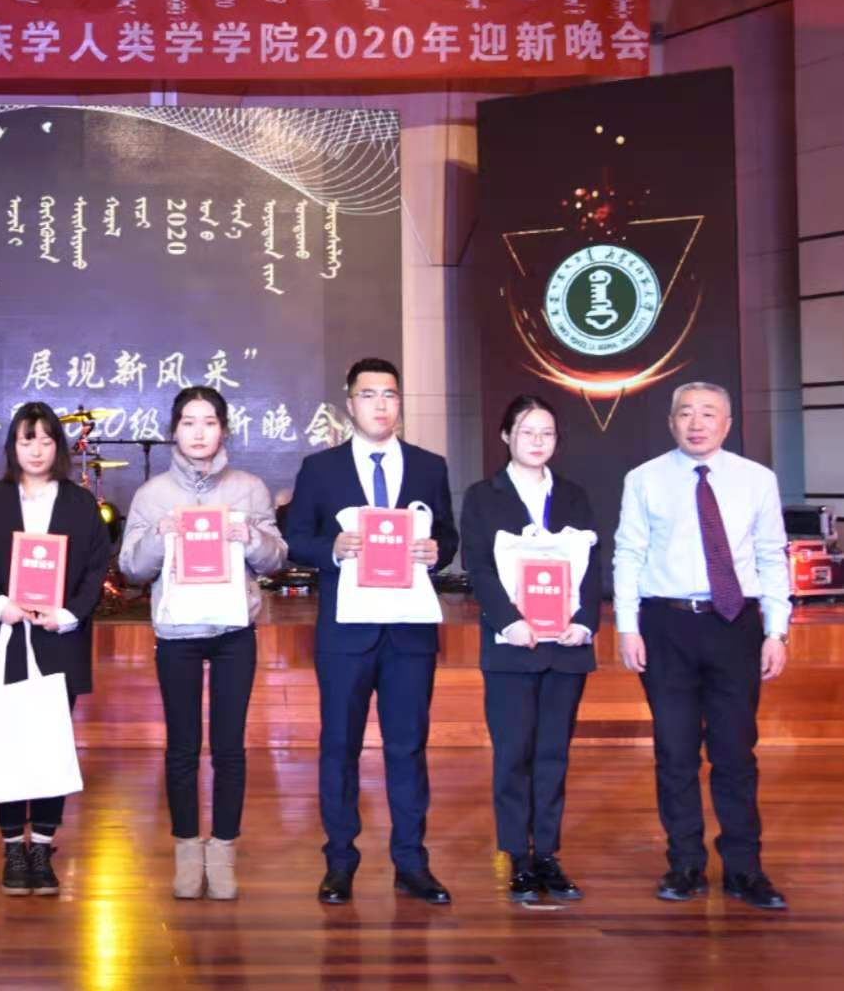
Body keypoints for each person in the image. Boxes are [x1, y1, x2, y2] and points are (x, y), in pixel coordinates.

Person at [284, 357, 459, 905]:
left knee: (408, 747)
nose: (380, 405)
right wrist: (332, 549)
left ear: (400, 403)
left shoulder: (429, 466)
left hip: (410, 633)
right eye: (368, 395)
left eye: (390, 395)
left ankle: (412, 862)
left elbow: (448, 535)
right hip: (346, 633)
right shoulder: (321, 468)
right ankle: (340, 862)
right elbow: (296, 537)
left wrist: (437, 551)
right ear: (349, 404)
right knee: (339, 746)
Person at [614, 381, 791, 910]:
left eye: (708, 413)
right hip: (666, 626)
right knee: (675, 751)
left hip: (735, 626)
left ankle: (744, 869)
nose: (696, 423)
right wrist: (627, 626)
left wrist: (776, 630)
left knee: (735, 752)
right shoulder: (643, 478)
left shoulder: (757, 480)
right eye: (686, 413)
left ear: (727, 423)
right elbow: (628, 553)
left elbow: (772, 556)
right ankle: (685, 864)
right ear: (671, 422)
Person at [119, 386, 288, 901]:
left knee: (230, 746)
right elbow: (130, 569)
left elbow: (277, 560)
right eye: (188, 422)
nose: (198, 433)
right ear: (174, 431)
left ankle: (224, 851)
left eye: (209, 422)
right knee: (183, 746)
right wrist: (159, 535)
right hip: (178, 633)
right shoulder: (152, 495)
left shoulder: (249, 489)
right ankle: (187, 850)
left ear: (224, 430)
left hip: (234, 631)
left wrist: (250, 537)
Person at [0, 402, 113, 897]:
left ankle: (42, 846)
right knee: (6, 744)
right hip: (4, 636)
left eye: (47, 440)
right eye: (28, 440)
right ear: (14, 446)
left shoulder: (79, 503)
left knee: (49, 745)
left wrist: (69, 614)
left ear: (58, 447)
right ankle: (11, 846)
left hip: (57, 639)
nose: (38, 450)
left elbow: (97, 568)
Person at [460, 394, 599, 903]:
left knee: (553, 754)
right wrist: (510, 621)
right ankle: (517, 855)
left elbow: (592, 566)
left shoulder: (575, 495)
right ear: (506, 436)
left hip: (566, 647)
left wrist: (584, 623)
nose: (537, 442)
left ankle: (548, 856)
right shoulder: (483, 496)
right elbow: (478, 567)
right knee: (513, 753)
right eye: (527, 432)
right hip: (512, 647)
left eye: (547, 433)